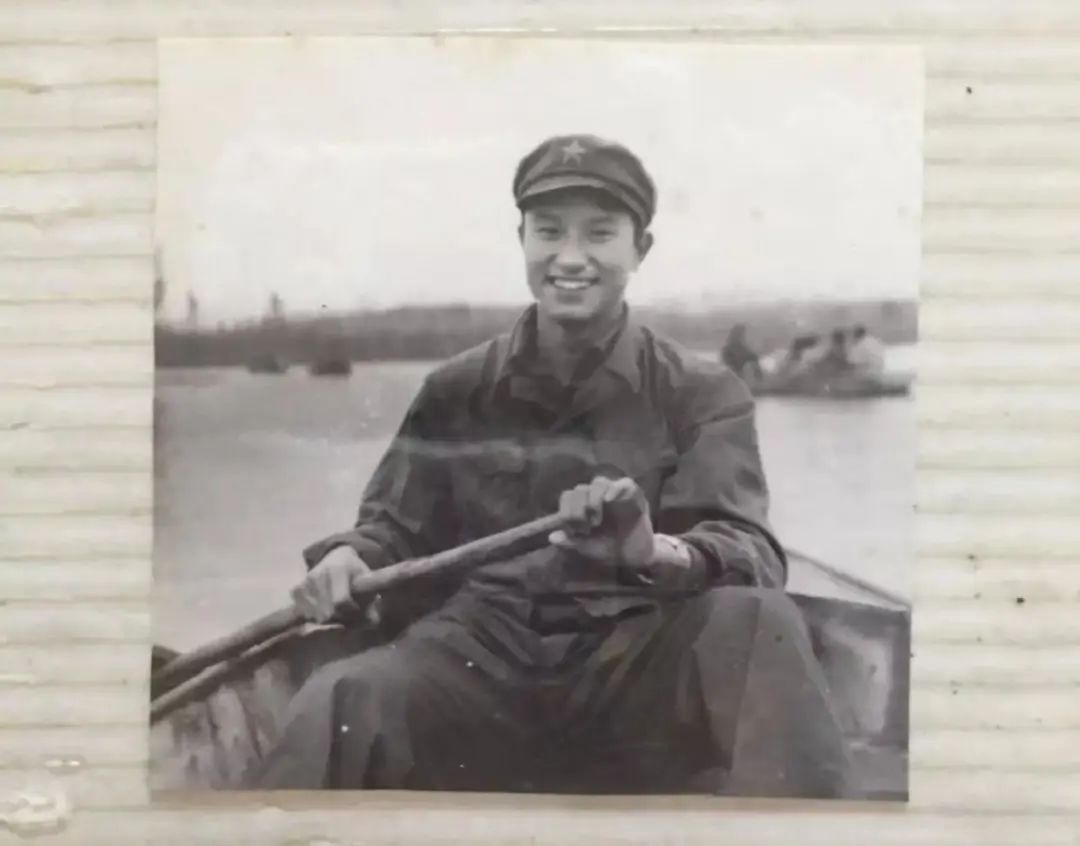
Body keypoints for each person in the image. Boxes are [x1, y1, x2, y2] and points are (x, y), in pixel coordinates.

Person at [255, 134, 854, 797]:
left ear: (640, 249)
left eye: (599, 233)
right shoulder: (455, 388)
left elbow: (750, 551)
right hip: (478, 663)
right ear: (522, 240)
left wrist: (650, 551)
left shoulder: (703, 392)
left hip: (637, 669)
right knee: (341, 698)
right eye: (548, 232)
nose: (571, 257)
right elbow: (392, 529)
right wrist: (351, 557)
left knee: (762, 625)